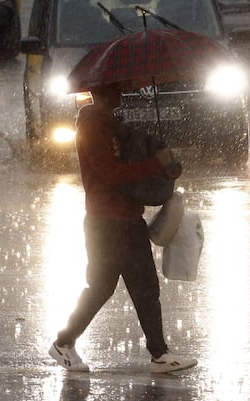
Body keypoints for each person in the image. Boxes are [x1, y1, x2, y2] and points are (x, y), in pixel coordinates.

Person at [48, 83, 196, 374]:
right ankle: (158, 354)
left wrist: (161, 159)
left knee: (113, 288)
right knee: (136, 288)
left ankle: (65, 342)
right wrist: (154, 164)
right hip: (109, 223)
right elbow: (112, 174)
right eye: (114, 89)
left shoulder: (111, 125)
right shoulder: (93, 128)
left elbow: (130, 161)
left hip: (121, 220)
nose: (120, 94)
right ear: (100, 91)